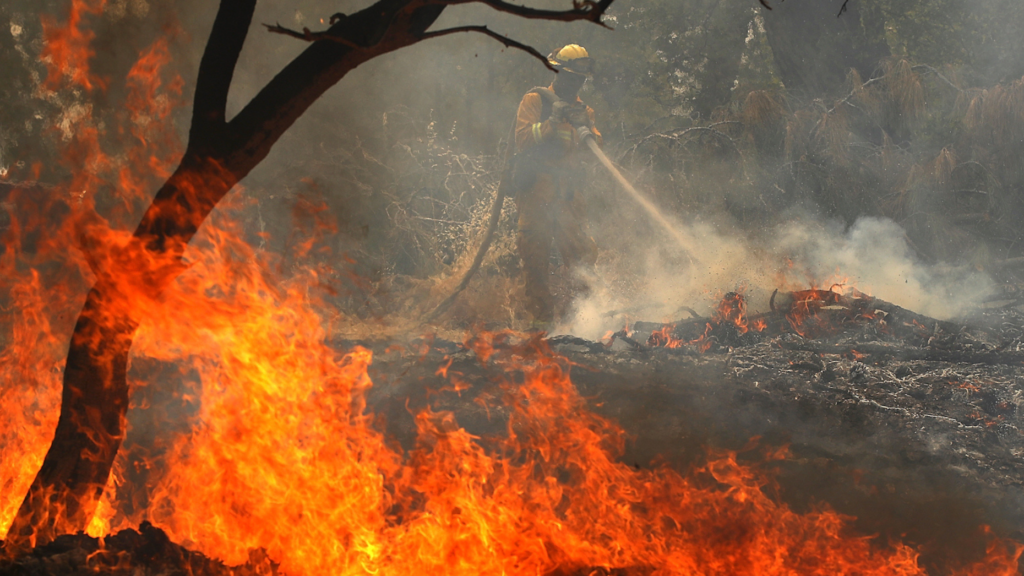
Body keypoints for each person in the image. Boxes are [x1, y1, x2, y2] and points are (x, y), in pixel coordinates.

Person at [513, 44, 602, 328]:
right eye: (571, 76)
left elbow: (595, 146)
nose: (575, 82)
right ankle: (540, 330)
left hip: (567, 196)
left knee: (581, 261)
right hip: (536, 194)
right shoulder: (535, 100)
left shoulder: (584, 110)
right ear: (557, 72)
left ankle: (582, 323)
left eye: (580, 79)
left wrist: (583, 125)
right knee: (535, 262)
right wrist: (551, 122)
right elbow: (523, 139)